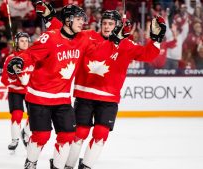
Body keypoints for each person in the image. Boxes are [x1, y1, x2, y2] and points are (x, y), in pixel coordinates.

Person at [36, 3, 166, 168]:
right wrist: (49, 18)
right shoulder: (88, 36)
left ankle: (86, 166)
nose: (106, 26)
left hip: (109, 98)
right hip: (85, 95)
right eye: (104, 23)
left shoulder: (126, 45)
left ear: (118, 26)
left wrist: (155, 40)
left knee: (101, 134)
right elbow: (66, 31)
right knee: (79, 134)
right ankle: (67, 165)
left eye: (111, 24)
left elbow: (148, 55)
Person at [7, 4, 120, 169]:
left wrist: (114, 41)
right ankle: (31, 162)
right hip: (39, 96)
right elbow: (31, 55)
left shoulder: (83, 38)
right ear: (68, 20)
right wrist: (19, 61)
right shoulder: (50, 37)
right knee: (42, 136)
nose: (83, 22)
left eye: (83, 19)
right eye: (79, 19)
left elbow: (99, 52)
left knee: (68, 136)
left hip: (62, 98)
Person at [1, 32, 33, 152]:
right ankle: (15, 140)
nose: (25, 43)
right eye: (22, 41)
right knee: (17, 115)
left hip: (31, 91)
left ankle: (25, 131)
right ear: (16, 43)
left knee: (34, 116)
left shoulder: (33, 57)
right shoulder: (10, 58)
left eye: (26, 40)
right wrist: (13, 75)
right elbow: (4, 80)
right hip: (15, 91)